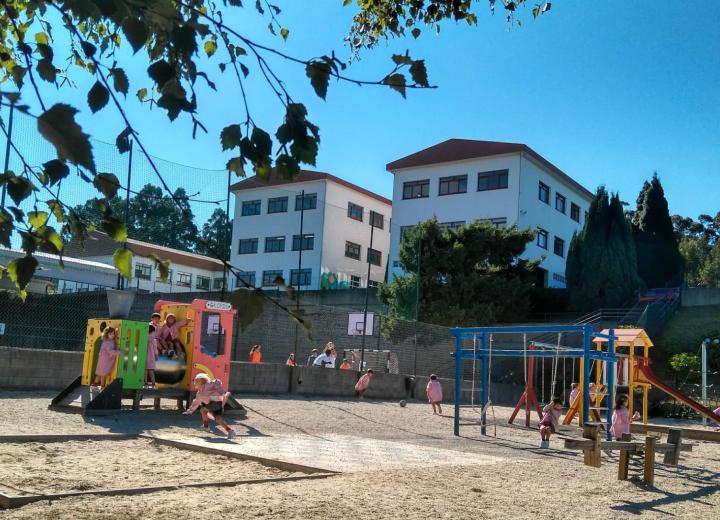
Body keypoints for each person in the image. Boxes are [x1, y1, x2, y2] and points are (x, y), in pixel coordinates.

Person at [183, 373, 236, 439]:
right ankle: (230, 431)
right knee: (218, 419)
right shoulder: (199, 393)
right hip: (216, 404)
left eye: (196, 382)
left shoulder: (208, 385)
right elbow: (196, 402)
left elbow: (217, 381)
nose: (194, 383)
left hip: (217, 402)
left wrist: (220, 390)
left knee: (203, 410)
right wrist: (189, 411)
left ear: (201, 381)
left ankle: (206, 427)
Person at [145, 324, 159, 388]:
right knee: (151, 371)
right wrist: (156, 356)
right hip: (151, 357)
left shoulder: (144, 338)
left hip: (144, 356)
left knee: (145, 370)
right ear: (153, 331)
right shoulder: (154, 340)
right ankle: (153, 384)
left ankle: (145, 383)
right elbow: (155, 350)